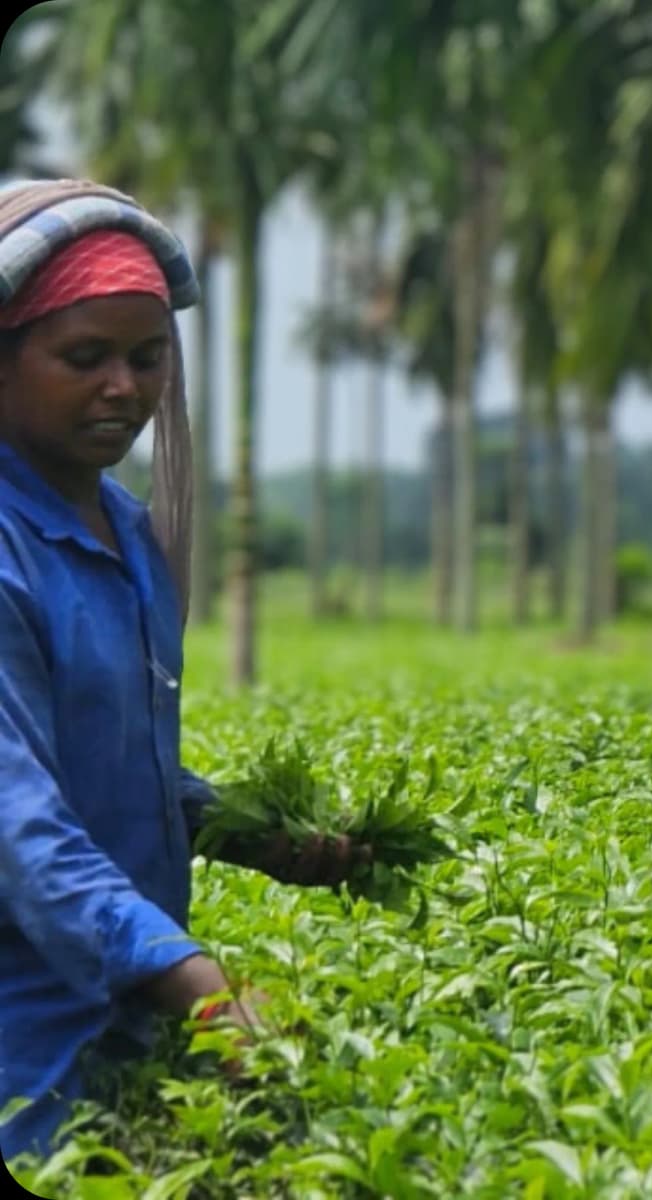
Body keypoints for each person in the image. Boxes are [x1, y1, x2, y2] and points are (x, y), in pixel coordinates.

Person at [0, 179, 368, 1162]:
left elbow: (108, 767)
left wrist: (253, 832)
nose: (124, 385)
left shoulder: (123, 530)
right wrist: (198, 982)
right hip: (20, 1034)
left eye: (147, 356)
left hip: (122, 1007)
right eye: (85, 358)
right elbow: (19, 823)